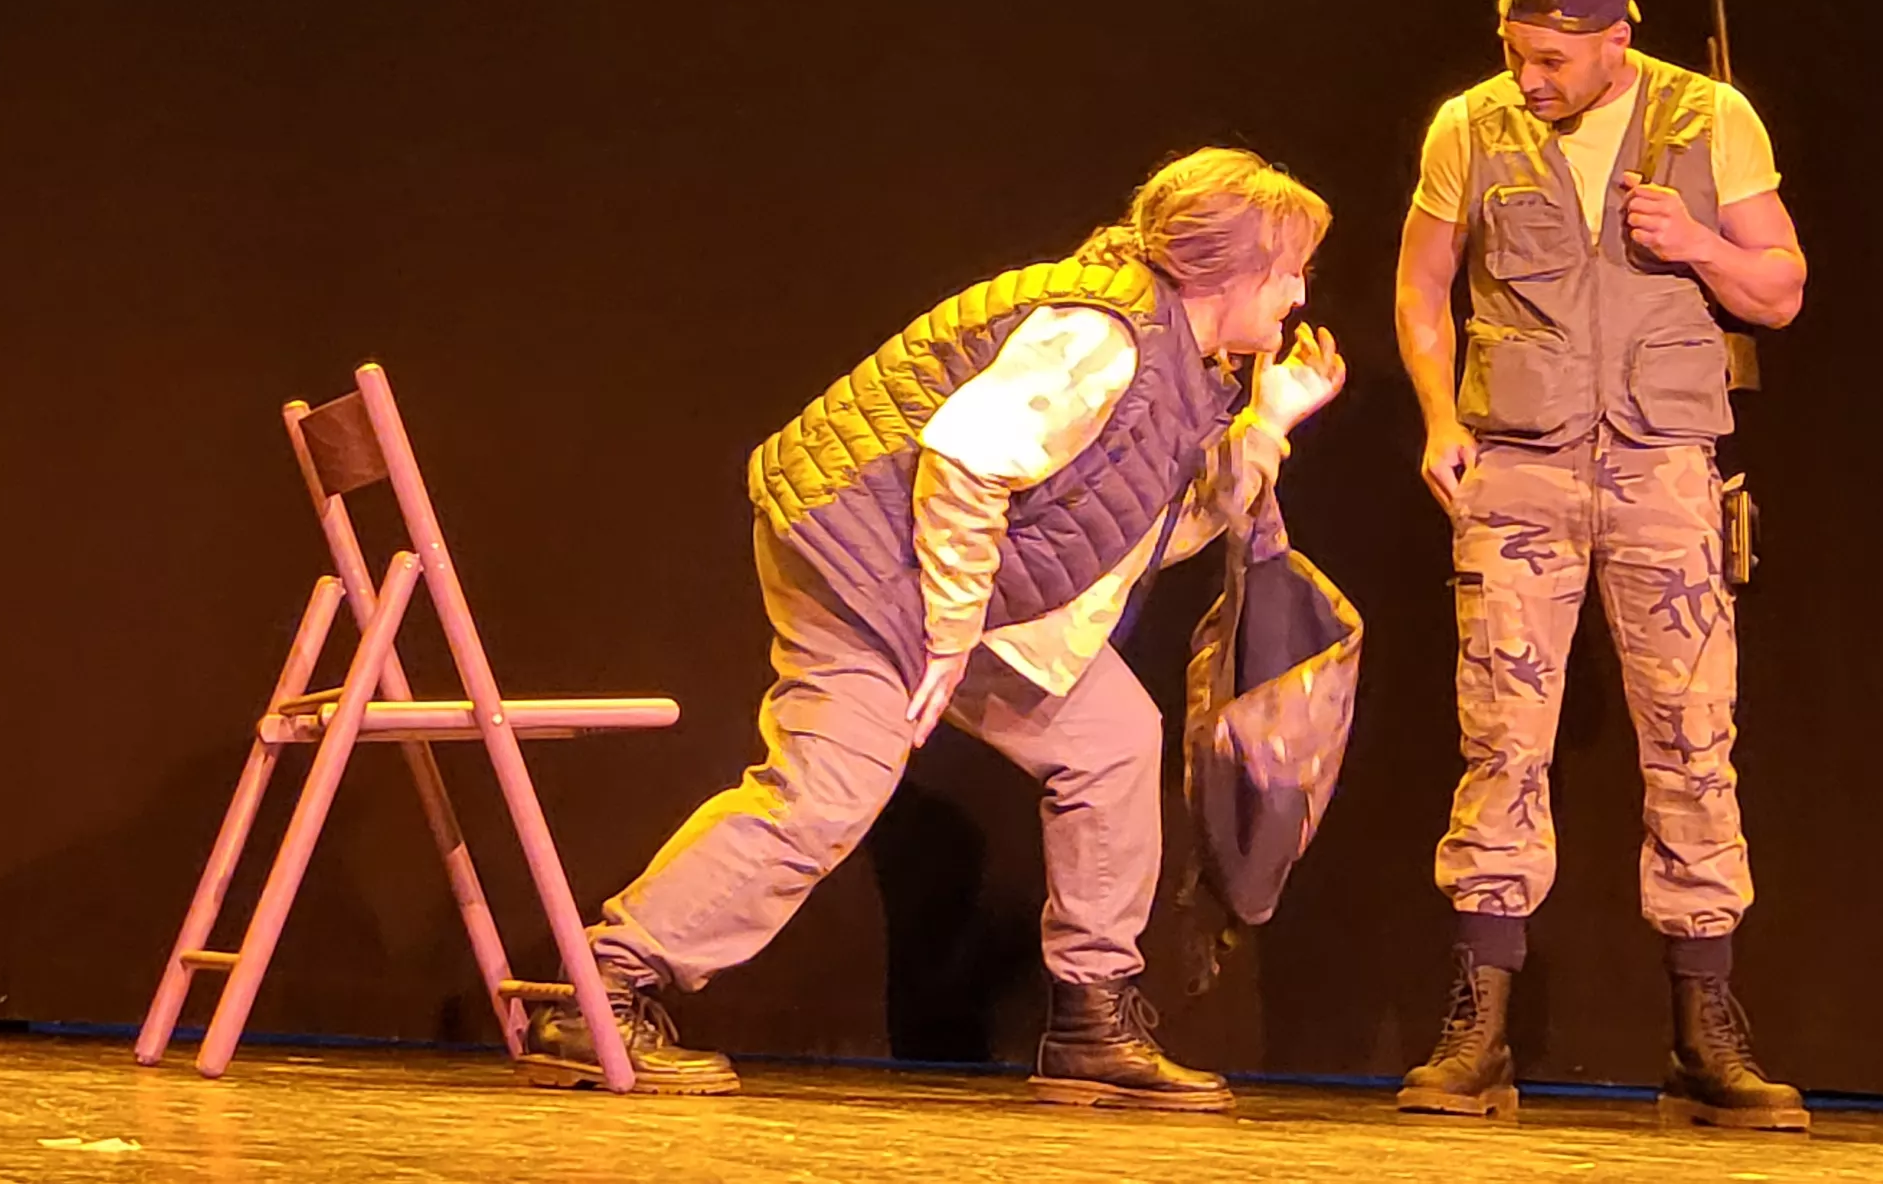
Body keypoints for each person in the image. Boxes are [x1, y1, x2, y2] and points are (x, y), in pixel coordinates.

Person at [523, 148, 1350, 1110]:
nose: (1297, 293)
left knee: (1115, 740)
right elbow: (961, 463)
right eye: (1290, 269)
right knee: (828, 791)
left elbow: (1131, 531)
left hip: (955, 587)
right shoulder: (1101, 334)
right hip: (864, 558)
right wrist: (951, 628)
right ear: (1231, 269)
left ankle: (1091, 1018)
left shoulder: (1183, 361)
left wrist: (1270, 422)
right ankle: (601, 990)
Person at [1389, 0, 1814, 1131]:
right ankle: (1477, 1025)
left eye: (1553, 58)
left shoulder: (1707, 118)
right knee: (1500, 735)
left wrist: (1696, 245)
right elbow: (1422, 283)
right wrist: (1435, 419)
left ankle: (1704, 1027)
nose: (1531, 77)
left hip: (1663, 464)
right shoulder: (1467, 127)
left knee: (1691, 735)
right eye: (1517, 53)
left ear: (1614, 41)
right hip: (1518, 464)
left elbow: (1781, 288)